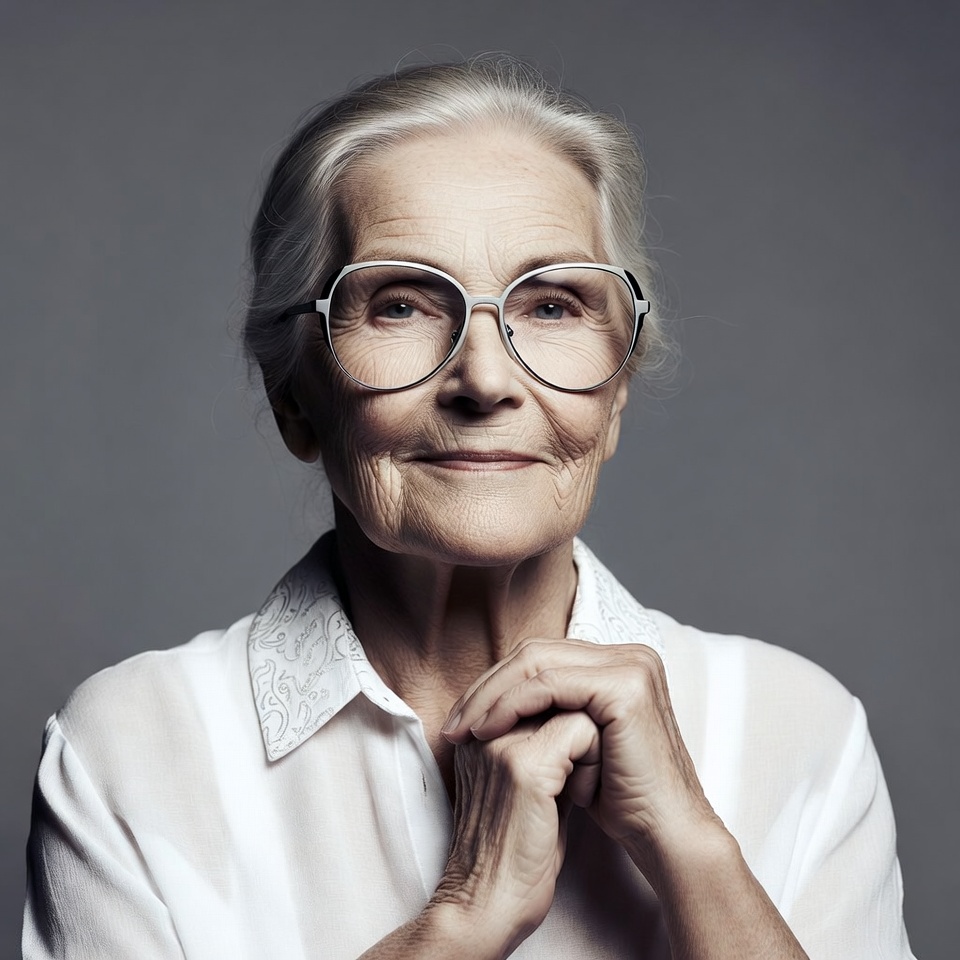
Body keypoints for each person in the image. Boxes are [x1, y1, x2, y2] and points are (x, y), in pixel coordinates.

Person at [23, 56, 914, 959]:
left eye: (554, 304)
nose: (486, 379)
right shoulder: (132, 753)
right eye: (401, 303)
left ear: (615, 399)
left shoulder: (802, 732)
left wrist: (696, 856)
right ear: (298, 396)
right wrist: (462, 918)